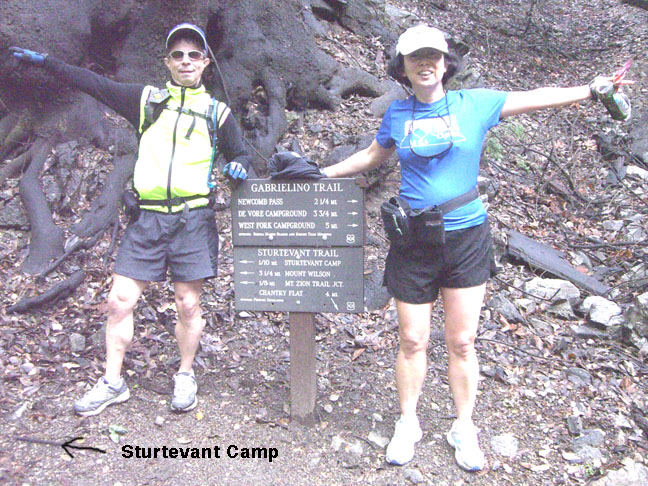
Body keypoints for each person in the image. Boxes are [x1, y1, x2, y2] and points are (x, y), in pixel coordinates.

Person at [321, 24, 631, 470]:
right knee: (412, 339)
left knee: (462, 341)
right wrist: (322, 173)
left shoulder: (476, 104)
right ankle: (408, 421)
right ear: (402, 67)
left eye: (433, 56)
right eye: (415, 58)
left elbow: (536, 96)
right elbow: (372, 156)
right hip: (413, 240)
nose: (425, 64)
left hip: (466, 236)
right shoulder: (397, 113)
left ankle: (463, 426)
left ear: (446, 63)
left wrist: (590, 90)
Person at [11, 23, 251, 415]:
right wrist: (48, 63)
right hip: (148, 219)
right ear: (167, 62)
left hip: (193, 218)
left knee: (188, 304)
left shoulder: (217, 113)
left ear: (206, 62)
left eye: (194, 54)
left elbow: (240, 153)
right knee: (119, 301)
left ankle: (185, 374)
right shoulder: (146, 101)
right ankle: (112, 381)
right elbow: (91, 82)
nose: (186, 60)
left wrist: (238, 167)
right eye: (178, 54)